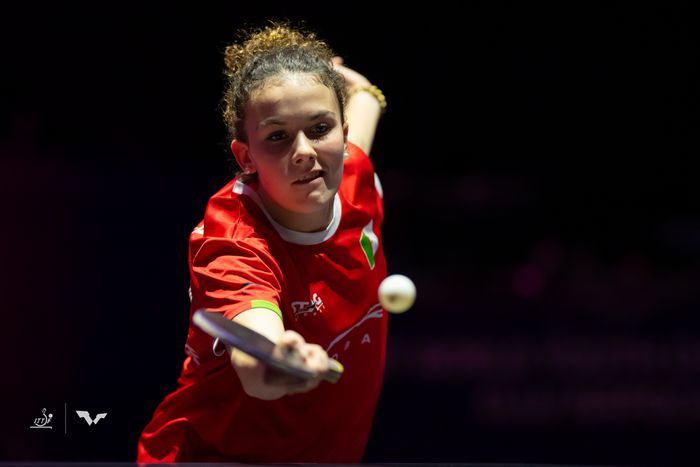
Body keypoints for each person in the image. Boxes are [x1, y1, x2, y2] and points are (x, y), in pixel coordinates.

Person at [137, 22, 389, 462]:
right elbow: (255, 363)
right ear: (245, 156)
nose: (305, 151)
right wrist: (280, 359)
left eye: (320, 127)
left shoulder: (354, 174)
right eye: (277, 136)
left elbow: (362, 116)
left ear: (343, 134)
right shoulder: (233, 241)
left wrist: (366, 92)